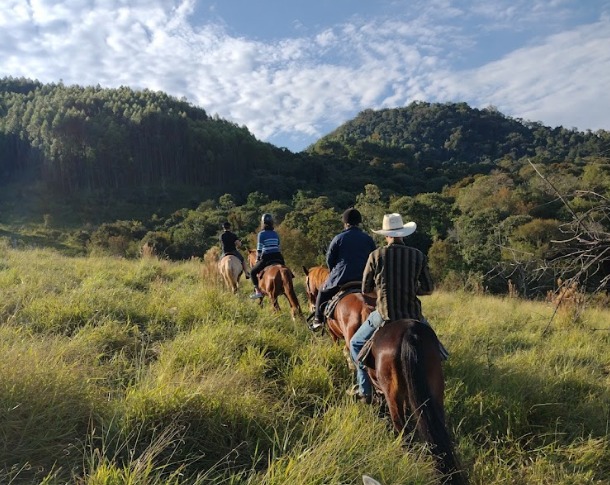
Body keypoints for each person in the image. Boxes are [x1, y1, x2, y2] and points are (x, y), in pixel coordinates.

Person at [349, 213, 447, 403]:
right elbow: (428, 289)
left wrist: (382, 294)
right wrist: (411, 288)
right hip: (413, 315)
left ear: (386, 235)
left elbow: (365, 289)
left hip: (385, 315)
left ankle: (365, 390)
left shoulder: (376, 255)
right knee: (436, 349)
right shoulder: (417, 255)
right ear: (403, 233)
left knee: (356, 344)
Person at [310, 208, 376, 331]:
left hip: (341, 278)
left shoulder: (338, 238)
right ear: (359, 222)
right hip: (364, 280)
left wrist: (334, 272)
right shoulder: (368, 239)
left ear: (345, 223)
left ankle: (317, 319)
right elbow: (373, 259)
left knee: (322, 292)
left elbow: (330, 260)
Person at [249, 213, 285, 299]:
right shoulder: (275, 233)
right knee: (285, 270)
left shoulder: (261, 234)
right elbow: (279, 247)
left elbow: (259, 249)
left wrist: (258, 258)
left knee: (252, 272)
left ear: (263, 223)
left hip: (267, 257)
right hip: (278, 256)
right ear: (272, 222)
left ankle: (258, 291)